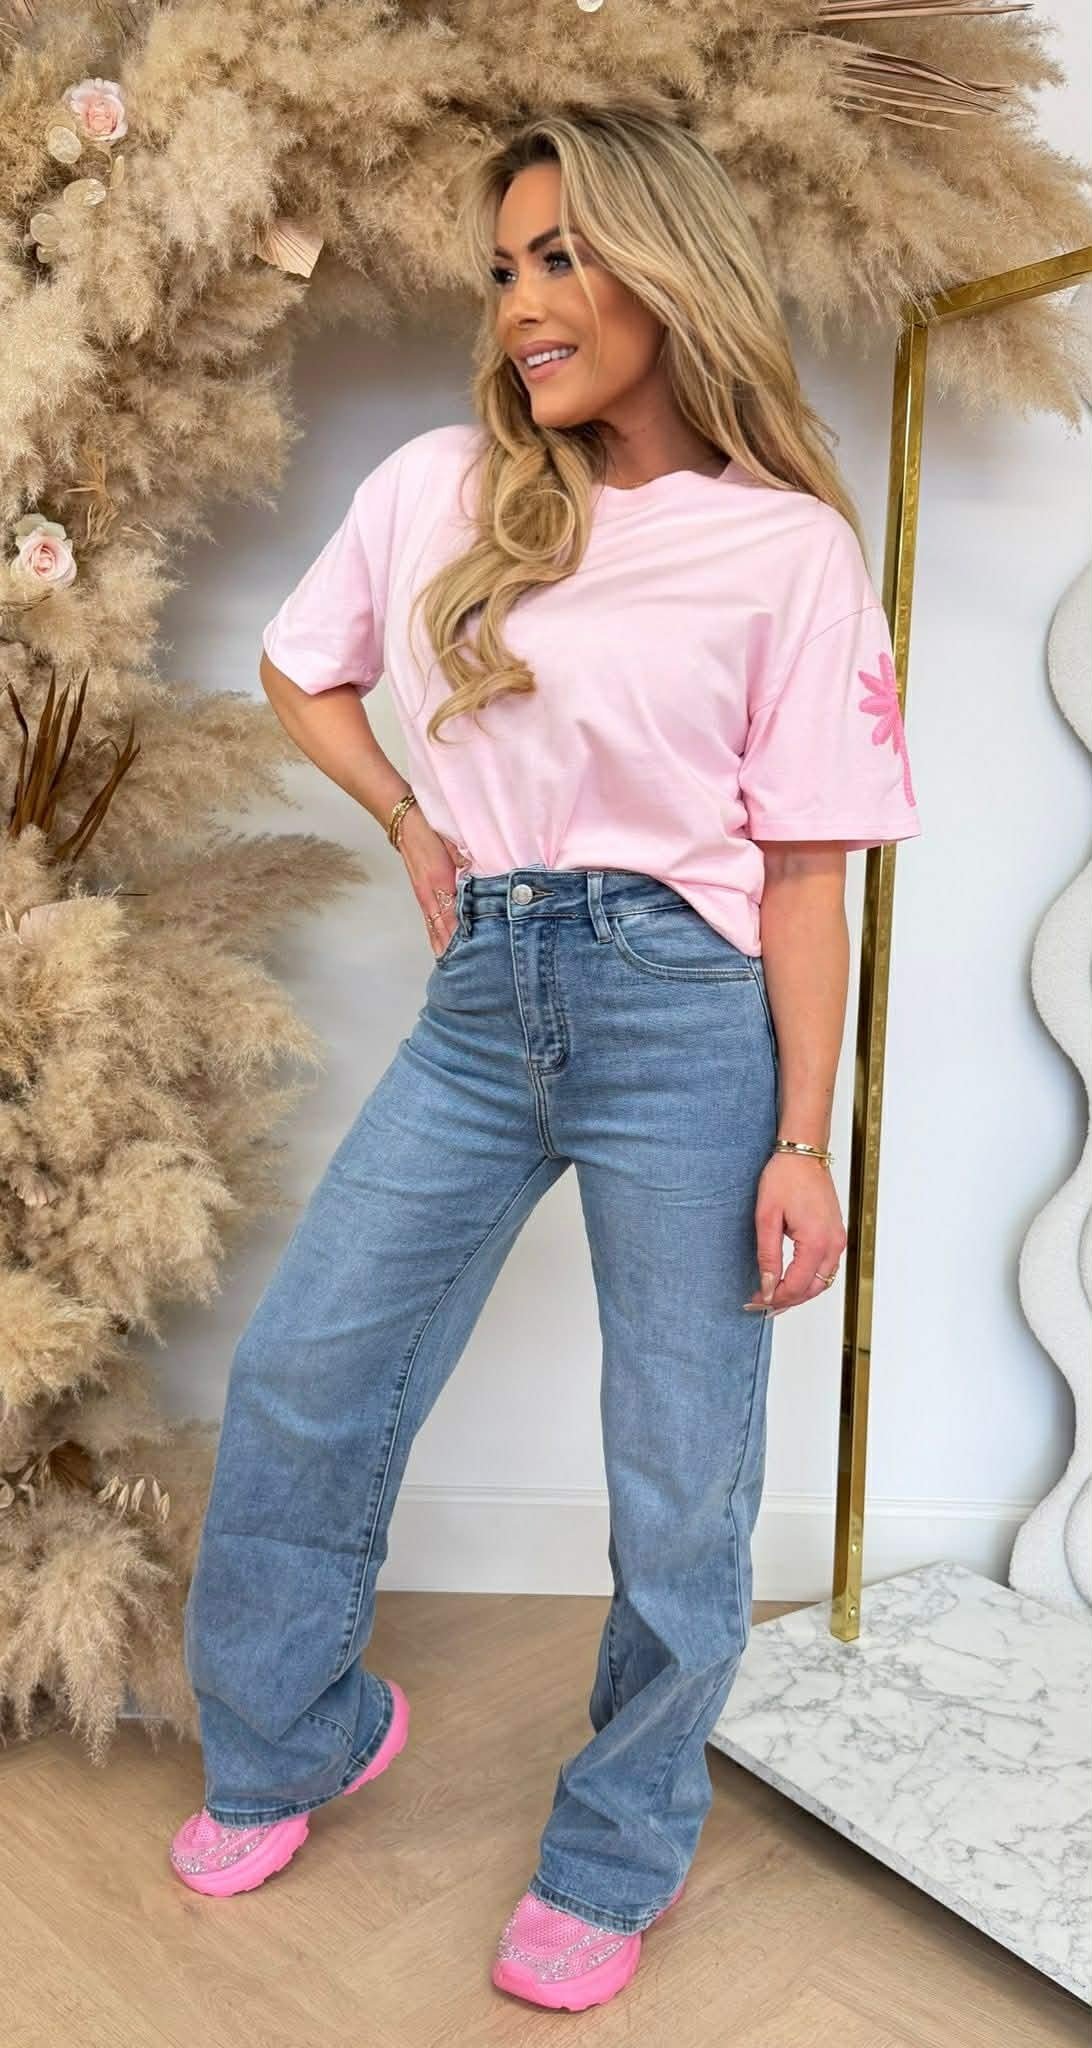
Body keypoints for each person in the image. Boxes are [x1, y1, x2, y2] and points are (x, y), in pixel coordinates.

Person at [170, 104, 921, 2013]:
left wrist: (805, 1138)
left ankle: (616, 1847)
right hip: (486, 996)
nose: (522, 304)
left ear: (672, 268)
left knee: (678, 1476)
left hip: (690, 1019)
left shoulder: (787, 549)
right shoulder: (440, 485)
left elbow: (809, 877)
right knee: (306, 1374)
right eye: (506, 267)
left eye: (564, 257)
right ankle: (298, 1733)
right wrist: (408, 819)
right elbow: (301, 662)